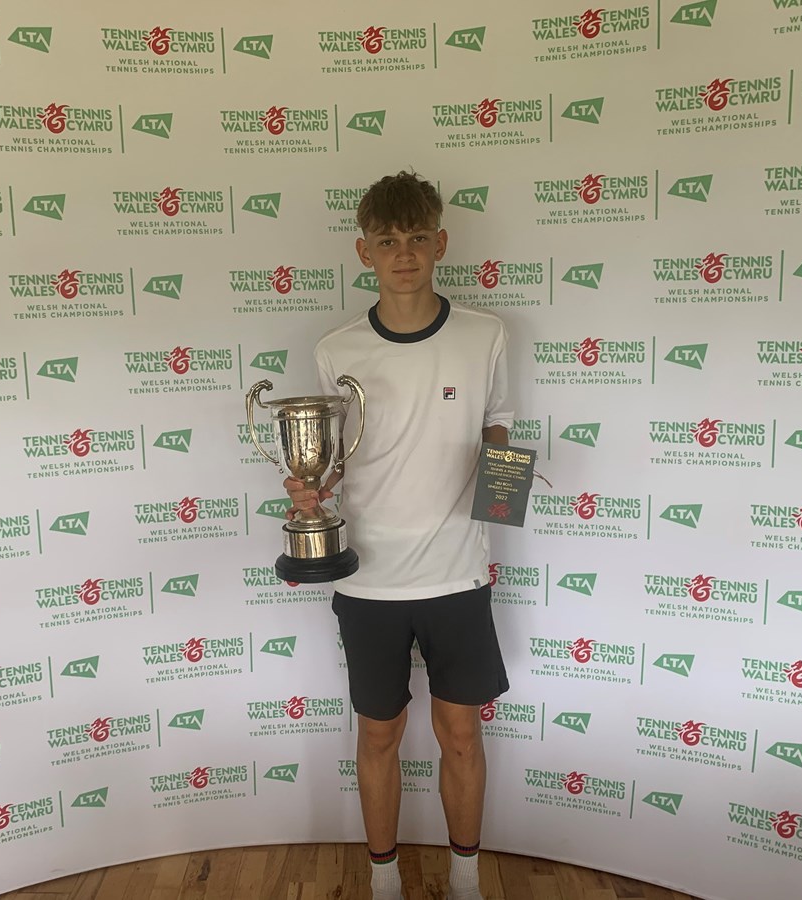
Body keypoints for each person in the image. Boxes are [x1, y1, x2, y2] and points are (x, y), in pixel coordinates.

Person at [284, 171, 512, 900]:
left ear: (440, 242)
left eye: (417, 238)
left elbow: (496, 426)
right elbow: (326, 456)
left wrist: (502, 483)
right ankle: (384, 884)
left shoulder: (486, 334)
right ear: (364, 251)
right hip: (369, 579)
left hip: (457, 575)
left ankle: (466, 882)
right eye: (387, 241)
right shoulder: (336, 349)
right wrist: (308, 491)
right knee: (379, 736)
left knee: (461, 737)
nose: (403, 253)